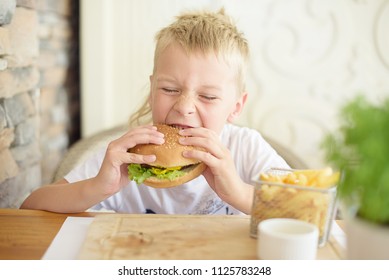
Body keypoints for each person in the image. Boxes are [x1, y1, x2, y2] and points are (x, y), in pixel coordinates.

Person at [21, 9, 288, 215]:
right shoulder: (124, 156)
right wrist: (99, 186)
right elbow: (31, 206)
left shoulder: (246, 148)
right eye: (170, 89)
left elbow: (306, 212)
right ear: (152, 90)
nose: (184, 107)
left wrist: (240, 193)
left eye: (207, 96)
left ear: (236, 107)